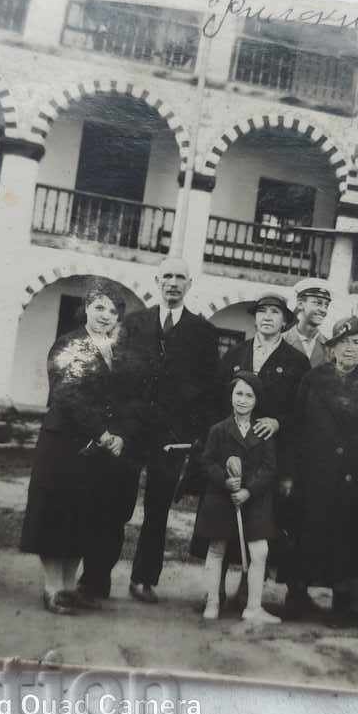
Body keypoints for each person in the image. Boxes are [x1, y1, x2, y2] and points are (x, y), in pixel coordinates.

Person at [20, 282, 143, 614]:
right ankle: (52, 588)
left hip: (98, 451)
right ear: (86, 308)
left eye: (113, 310)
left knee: (83, 517)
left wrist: (120, 433)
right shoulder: (69, 344)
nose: (106, 316)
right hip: (64, 445)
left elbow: (130, 399)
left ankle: (70, 588)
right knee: (56, 515)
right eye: (100, 307)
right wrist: (102, 433)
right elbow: (67, 394)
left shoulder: (120, 351)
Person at [283, 316, 358, 620]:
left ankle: (343, 603)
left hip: (357, 478)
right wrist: (289, 474)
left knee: (350, 540)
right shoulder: (313, 379)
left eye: (357, 342)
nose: (350, 348)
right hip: (314, 474)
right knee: (307, 532)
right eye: (343, 343)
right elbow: (296, 428)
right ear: (331, 348)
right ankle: (297, 595)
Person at [124, 257, 219, 603]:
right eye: (167, 276)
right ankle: (95, 576)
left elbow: (210, 389)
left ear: (189, 284)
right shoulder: (134, 324)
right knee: (115, 504)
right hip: (132, 433)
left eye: (180, 277)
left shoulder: (203, 331)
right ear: (156, 280)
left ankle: (143, 579)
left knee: (158, 509)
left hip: (172, 439)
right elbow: (122, 379)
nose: (173, 283)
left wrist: (194, 434)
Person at [215, 292, 311, 602]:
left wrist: (278, 422)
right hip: (233, 450)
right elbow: (217, 403)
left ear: (285, 321)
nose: (267, 317)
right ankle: (215, 586)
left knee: (259, 521)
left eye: (275, 312)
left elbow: (302, 412)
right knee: (223, 516)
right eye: (262, 311)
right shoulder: (235, 354)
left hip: (271, 454)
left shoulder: (297, 362)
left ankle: (247, 587)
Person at [194, 372, 281, 624]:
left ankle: (253, 607)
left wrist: (248, 490)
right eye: (238, 394)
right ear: (231, 396)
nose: (243, 400)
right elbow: (207, 462)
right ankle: (212, 601)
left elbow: (269, 468)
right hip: (222, 498)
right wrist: (224, 480)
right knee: (217, 547)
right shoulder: (219, 429)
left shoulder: (263, 431)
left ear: (257, 400)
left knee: (260, 551)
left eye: (249, 395)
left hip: (254, 498)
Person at [282, 278, 331, 367]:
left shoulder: (329, 347)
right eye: (318, 303)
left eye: (326, 305)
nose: (323, 310)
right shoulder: (281, 340)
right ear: (300, 304)